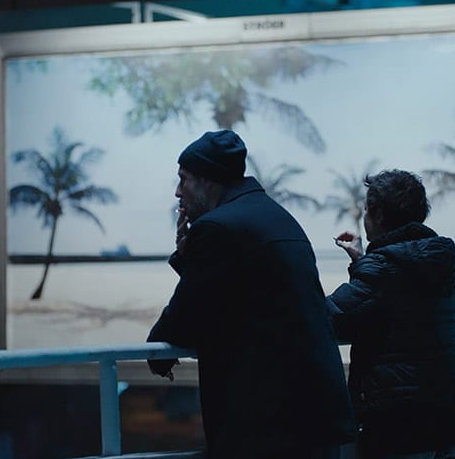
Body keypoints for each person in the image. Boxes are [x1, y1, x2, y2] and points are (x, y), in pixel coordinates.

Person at [147, 130, 356, 459]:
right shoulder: (278, 217)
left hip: (268, 424)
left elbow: (187, 315)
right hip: (316, 415)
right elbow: (237, 293)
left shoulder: (216, 227)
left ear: (208, 180)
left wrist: (157, 353)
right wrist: (190, 258)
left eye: (183, 179)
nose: (177, 191)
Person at [326, 170, 455, 459]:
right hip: (448, 413)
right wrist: (364, 261)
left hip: (400, 420)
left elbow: (334, 319)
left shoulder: (380, 269)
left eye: (366, 210)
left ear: (378, 215)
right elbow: (397, 296)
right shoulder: (440, 256)